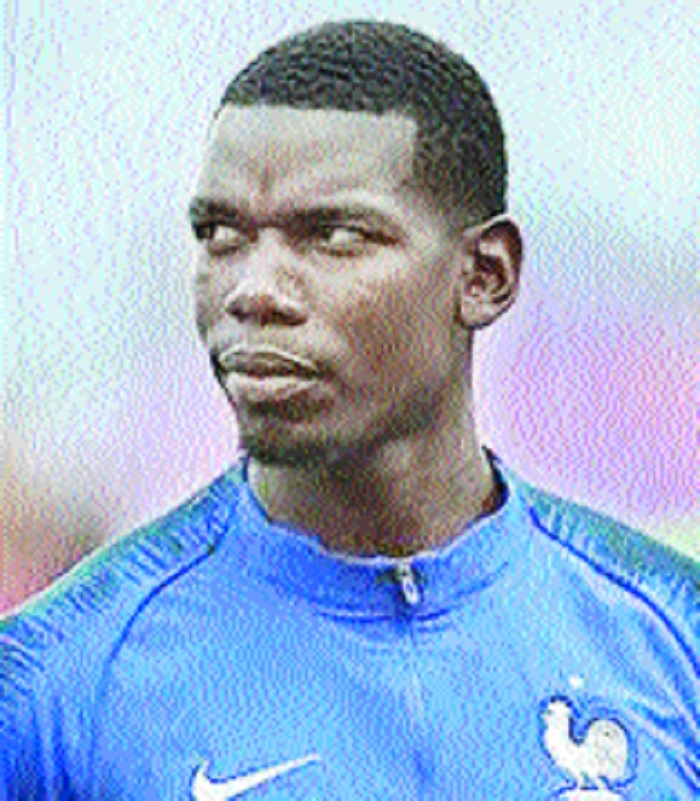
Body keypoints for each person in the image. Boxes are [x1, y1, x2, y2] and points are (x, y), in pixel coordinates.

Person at [1, 20, 697, 800]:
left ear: (485, 275)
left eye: (330, 234)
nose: (253, 290)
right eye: (221, 234)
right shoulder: (51, 691)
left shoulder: (673, 638)